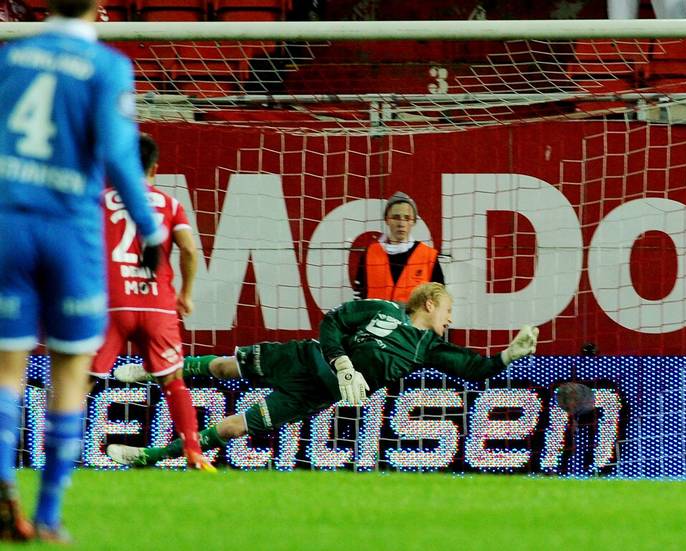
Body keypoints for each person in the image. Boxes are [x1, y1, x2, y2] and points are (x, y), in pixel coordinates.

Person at [0, 0, 165, 541]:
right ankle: (48, 514)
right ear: (99, 6)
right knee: (71, 368)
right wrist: (150, 228)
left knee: (5, 370)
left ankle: (3, 480)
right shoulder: (108, 66)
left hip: (8, 224)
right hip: (70, 230)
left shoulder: (11, 57)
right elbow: (119, 155)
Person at [106, 283, 539, 467]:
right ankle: (150, 371)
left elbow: (475, 370)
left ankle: (147, 457)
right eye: (448, 310)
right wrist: (343, 363)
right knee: (222, 366)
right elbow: (332, 321)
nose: (450, 319)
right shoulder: (383, 310)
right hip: (304, 357)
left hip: (311, 395)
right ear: (429, 303)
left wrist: (508, 355)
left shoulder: (428, 348)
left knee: (234, 427)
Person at [92, 134, 213, 472]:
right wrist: (186, 293)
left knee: (80, 377)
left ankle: (52, 451)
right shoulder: (170, 204)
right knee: (173, 379)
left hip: (113, 303)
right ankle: (194, 452)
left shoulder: (100, 200)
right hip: (157, 304)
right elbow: (188, 249)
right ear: (155, 168)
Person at [352, 192, 444, 303]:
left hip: (412, 315)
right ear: (387, 219)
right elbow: (359, 300)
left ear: (414, 221)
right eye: (396, 217)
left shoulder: (429, 257)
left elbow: (439, 302)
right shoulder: (369, 255)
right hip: (377, 314)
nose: (401, 223)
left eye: (407, 218)